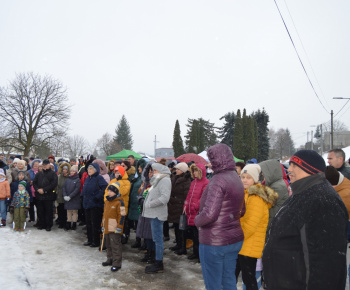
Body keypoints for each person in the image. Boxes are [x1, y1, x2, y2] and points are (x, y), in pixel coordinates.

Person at [263, 150, 348, 290]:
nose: (289, 169)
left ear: (309, 168)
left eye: (294, 165)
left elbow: (326, 263)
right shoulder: (302, 193)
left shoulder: (322, 200)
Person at [194, 143, 245, 290]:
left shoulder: (218, 180)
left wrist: (197, 221)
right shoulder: (235, 177)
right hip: (233, 239)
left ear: (217, 160)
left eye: (211, 159)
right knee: (229, 280)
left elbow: (209, 214)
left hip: (214, 241)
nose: (209, 163)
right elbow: (242, 211)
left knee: (213, 284)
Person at [236, 164, 278, 290]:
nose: (244, 180)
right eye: (242, 176)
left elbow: (250, 225)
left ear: (255, 179)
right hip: (243, 244)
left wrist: (235, 236)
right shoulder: (246, 194)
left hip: (249, 245)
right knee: (241, 277)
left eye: (248, 177)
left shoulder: (256, 198)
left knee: (249, 280)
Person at [143, 163, 171, 274]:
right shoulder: (158, 180)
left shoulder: (165, 180)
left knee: (158, 239)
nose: (153, 172)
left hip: (157, 214)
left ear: (159, 170)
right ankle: (157, 261)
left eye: (154, 170)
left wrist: (150, 204)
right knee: (156, 239)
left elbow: (164, 198)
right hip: (153, 213)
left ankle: (159, 263)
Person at [183, 163, 209, 260]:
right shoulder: (193, 182)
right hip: (191, 212)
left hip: (198, 212)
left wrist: (194, 205)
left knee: (199, 235)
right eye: (193, 170)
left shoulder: (206, 182)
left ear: (201, 171)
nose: (194, 172)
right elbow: (189, 196)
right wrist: (186, 205)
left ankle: (200, 255)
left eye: (196, 170)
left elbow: (204, 197)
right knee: (194, 234)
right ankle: (195, 252)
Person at [81, 163, 108, 247]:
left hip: (95, 204)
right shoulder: (88, 178)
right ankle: (90, 239)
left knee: (95, 223)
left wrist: (97, 197)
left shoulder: (98, 177)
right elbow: (85, 188)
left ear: (95, 170)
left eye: (91, 169)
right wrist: (82, 196)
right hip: (87, 203)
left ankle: (95, 241)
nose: (89, 171)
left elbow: (105, 188)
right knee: (88, 223)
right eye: (88, 169)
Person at [101, 182, 126, 272]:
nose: (109, 193)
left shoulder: (120, 202)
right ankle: (109, 259)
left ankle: (117, 263)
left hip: (115, 228)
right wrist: (102, 225)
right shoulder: (107, 201)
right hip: (107, 226)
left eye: (111, 191)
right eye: (108, 191)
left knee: (115, 245)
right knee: (108, 245)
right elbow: (104, 214)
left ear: (115, 192)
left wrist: (120, 226)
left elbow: (122, 215)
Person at [168, 162, 192, 255]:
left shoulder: (186, 180)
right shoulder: (174, 177)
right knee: (176, 227)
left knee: (181, 228)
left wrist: (181, 203)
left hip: (180, 206)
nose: (176, 170)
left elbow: (186, 194)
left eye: (178, 169)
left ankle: (183, 247)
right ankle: (178, 244)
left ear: (182, 170)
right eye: (176, 169)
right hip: (173, 205)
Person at [258, 159, 288, 225]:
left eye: (264, 172)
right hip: (274, 218)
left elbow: (266, 203)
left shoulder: (278, 187)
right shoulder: (275, 184)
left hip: (273, 220)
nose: (262, 174)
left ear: (270, 172)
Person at [33, 159, 58, 231]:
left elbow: (53, 184)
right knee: (40, 211)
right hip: (39, 196)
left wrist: (44, 190)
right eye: (43, 165)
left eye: (46, 165)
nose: (44, 167)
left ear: (49, 165)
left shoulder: (53, 174)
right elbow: (34, 183)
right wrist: (38, 189)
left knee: (48, 211)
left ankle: (48, 225)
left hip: (49, 196)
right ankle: (42, 224)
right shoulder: (39, 174)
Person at [128, 158, 147, 248]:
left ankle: (144, 242)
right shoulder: (138, 177)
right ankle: (138, 240)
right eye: (138, 166)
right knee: (137, 225)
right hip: (135, 203)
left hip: (140, 204)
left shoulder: (144, 179)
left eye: (140, 167)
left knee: (142, 224)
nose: (138, 168)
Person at [56, 162, 71, 229]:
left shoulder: (69, 177)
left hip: (67, 195)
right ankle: (60, 222)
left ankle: (66, 223)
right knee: (60, 210)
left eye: (66, 169)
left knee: (66, 211)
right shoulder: (59, 177)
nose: (64, 170)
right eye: (63, 169)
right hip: (59, 195)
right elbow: (56, 186)